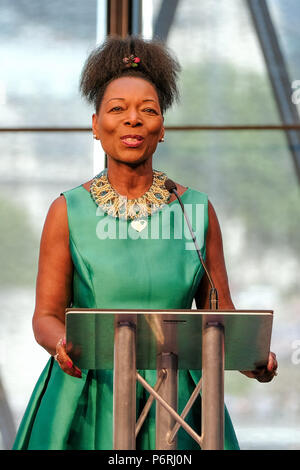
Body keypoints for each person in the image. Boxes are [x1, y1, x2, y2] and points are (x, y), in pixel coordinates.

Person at [12, 36, 277, 451]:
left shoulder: (196, 210)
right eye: (118, 109)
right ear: (96, 125)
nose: (133, 119)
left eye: (147, 110)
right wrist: (61, 344)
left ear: (162, 129)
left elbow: (220, 316)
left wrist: (253, 358)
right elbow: (45, 315)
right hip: (88, 397)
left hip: (182, 407)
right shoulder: (66, 210)